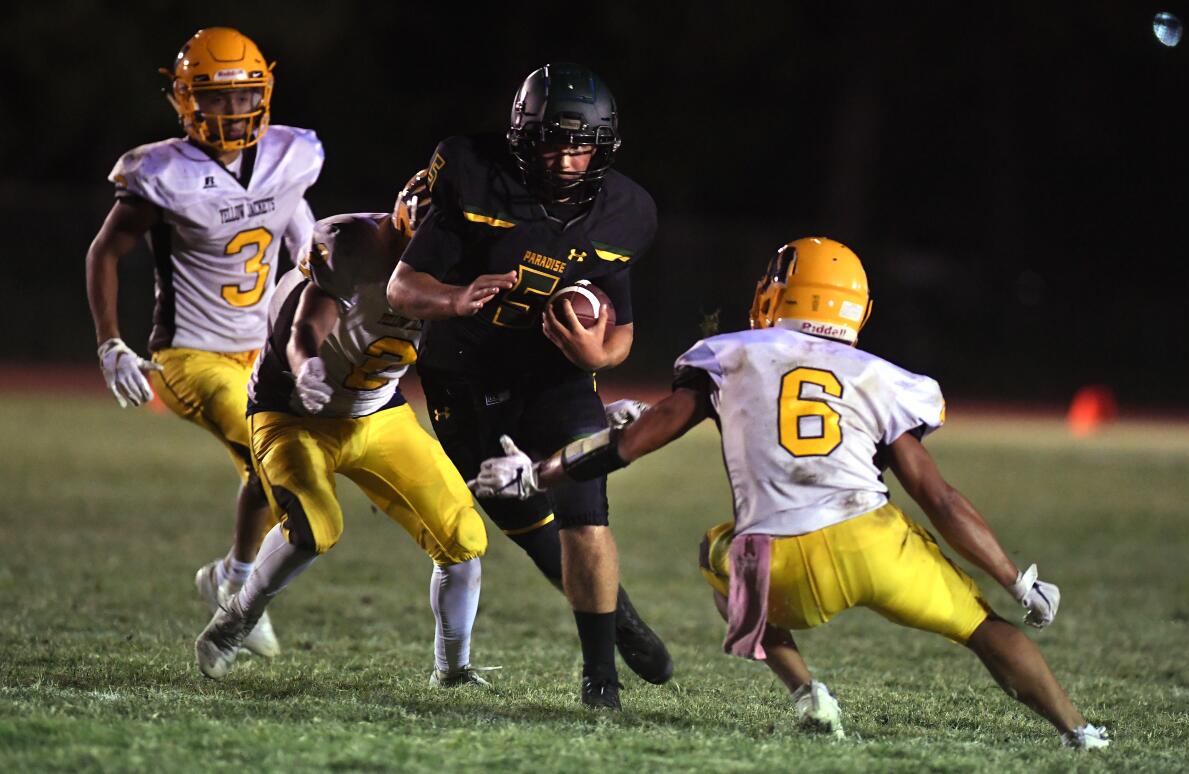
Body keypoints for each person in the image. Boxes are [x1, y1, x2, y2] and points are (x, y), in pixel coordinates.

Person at [470, 237, 1110, 749]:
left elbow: (638, 440)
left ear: (778, 294)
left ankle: (808, 693)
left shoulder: (730, 353)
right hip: (874, 546)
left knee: (714, 552)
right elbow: (939, 499)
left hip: (777, 564)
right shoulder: (881, 378)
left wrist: (540, 471)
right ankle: (1079, 733)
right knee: (984, 628)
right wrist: (1014, 579)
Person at [386, 63, 671, 709]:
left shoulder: (625, 211)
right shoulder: (473, 177)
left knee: (583, 508)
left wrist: (597, 350)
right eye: (554, 142)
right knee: (520, 514)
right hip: (465, 373)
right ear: (523, 136)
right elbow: (404, 287)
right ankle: (619, 616)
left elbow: (622, 329)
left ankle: (602, 676)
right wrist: (458, 297)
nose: (568, 159)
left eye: (582, 145)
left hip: (558, 375)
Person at [195, 173, 493, 686]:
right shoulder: (352, 244)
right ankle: (232, 622)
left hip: (375, 411)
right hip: (292, 410)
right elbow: (307, 326)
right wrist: (307, 363)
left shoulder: (475, 266)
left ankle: (453, 671)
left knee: (463, 537)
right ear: (403, 225)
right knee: (313, 529)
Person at [85, 27, 324, 658]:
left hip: (260, 348)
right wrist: (110, 342)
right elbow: (104, 251)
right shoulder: (164, 171)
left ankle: (233, 578)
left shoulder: (288, 155)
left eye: (244, 95)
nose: (233, 110)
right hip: (189, 354)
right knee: (277, 459)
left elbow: (297, 232)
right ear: (185, 100)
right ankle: (239, 590)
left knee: (269, 467)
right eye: (215, 98)